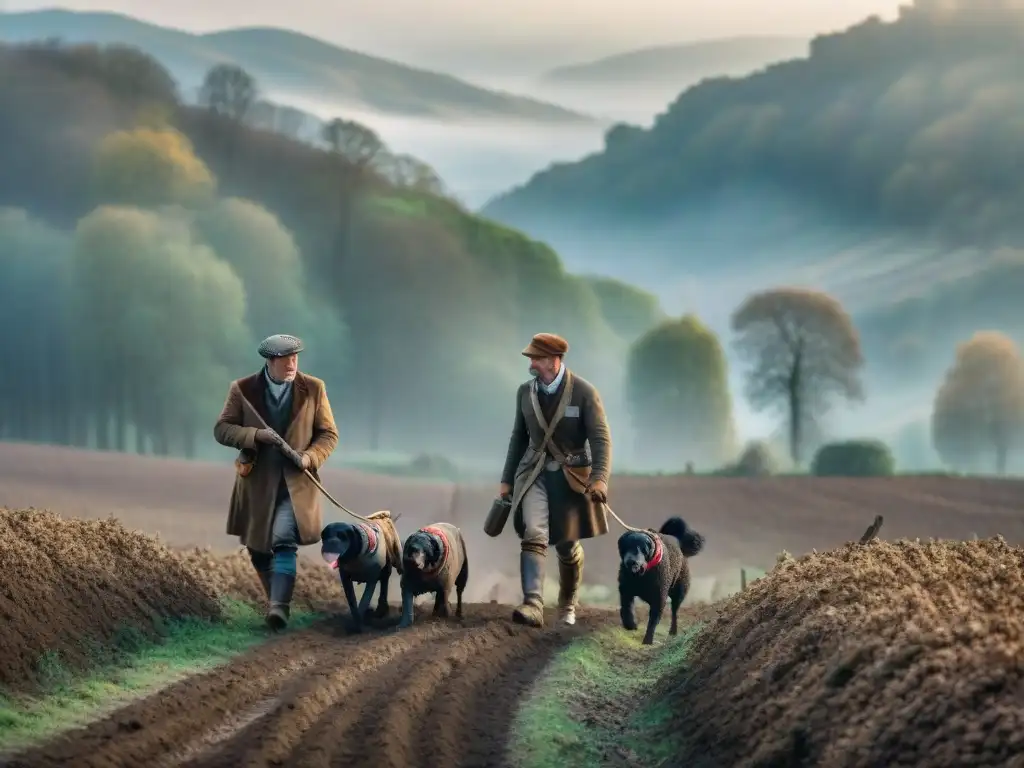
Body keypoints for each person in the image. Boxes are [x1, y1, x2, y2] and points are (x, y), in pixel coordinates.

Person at [213, 334, 339, 629]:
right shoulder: (242, 389)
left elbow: (328, 435)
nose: (292, 364)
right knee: (257, 548)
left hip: (297, 485)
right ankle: (275, 601)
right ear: (270, 361)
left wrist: (309, 457)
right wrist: (255, 436)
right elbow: (222, 429)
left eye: (296, 358)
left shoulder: (314, 389)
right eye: (286, 359)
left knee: (284, 540)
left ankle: (279, 609)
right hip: (256, 485)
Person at [499, 332, 612, 628]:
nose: (531, 363)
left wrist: (600, 479)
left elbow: (600, 439)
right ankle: (533, 603)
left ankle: (567, 603)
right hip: (533, 474)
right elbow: (518, 438)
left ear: (552, 360)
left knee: (566, 545)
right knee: (534, 533)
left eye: (536, 358)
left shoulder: (585, 393)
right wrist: (507, 479)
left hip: (572, 479)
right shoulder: (525, 393)